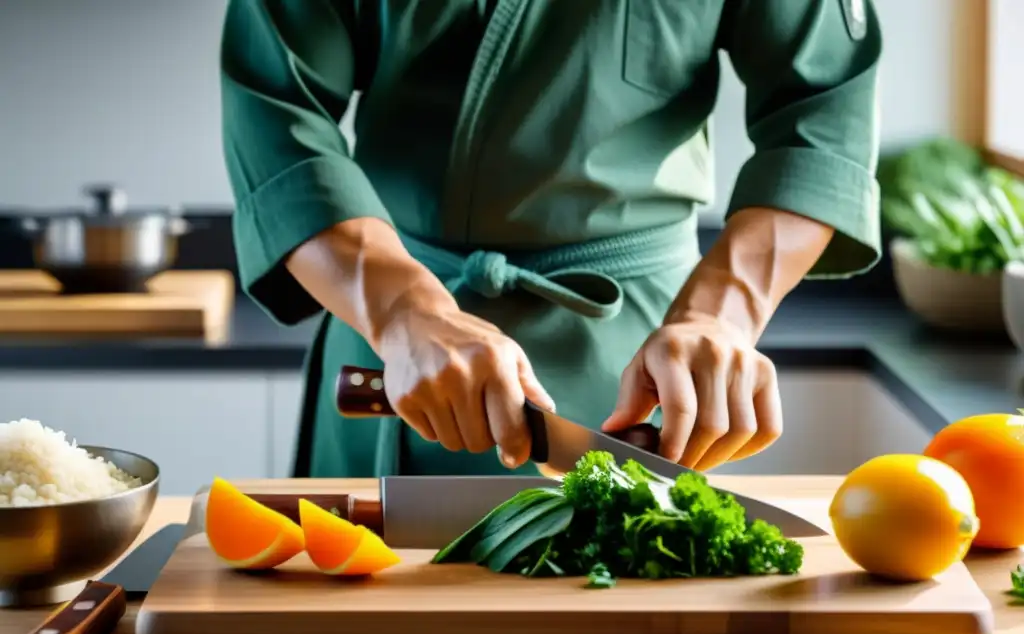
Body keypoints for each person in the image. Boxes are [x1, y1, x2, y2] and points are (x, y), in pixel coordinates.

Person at [220, 0, 882, 479]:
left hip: (647, 370)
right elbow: (280, 121)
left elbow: (823, 115)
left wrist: (722, 316)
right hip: (396, 351)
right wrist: (405, 312)